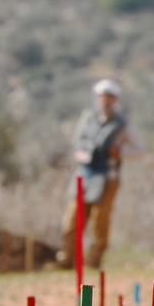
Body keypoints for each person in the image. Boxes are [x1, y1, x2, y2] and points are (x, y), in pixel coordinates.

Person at [57, 79, 144, 269]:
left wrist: (119, 152)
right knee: (71, 221)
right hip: (84, 174)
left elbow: (139, 150)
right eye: (102, 97)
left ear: (116, 100)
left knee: (99, 222)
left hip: (107, 178)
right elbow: (77, 143)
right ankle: (66, 260)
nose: (105, 101)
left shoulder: (122, 124)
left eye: (109, 97)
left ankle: (93, 262)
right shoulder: (88, 118)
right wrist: (81, 154)